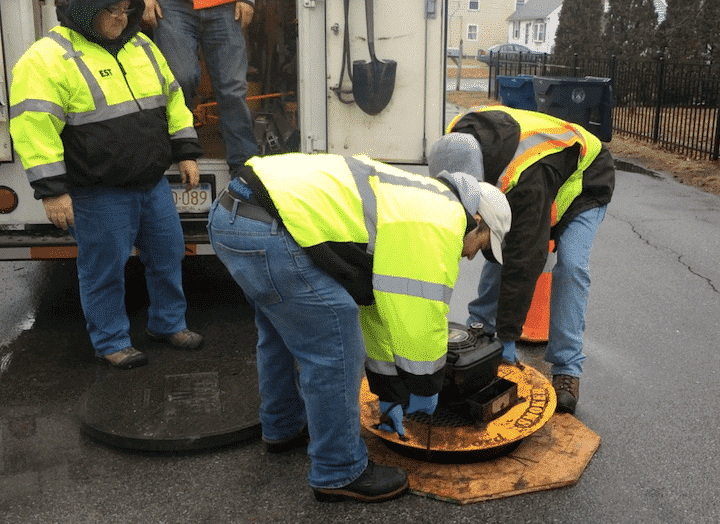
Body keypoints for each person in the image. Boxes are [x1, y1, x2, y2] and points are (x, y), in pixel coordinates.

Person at [206, 152, 511, 502]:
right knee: (336, 345)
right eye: (482, 246)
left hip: (234, 214)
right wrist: (426, 387)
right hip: (270, 228)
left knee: (281, 332)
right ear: (476, 220)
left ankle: (282, 426)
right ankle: (338, 470)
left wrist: (388, 392)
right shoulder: (441, 223)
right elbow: (420, 321)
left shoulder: (424, 198)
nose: (472, 256)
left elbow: (378, 306)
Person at [9, 0, 205, 369]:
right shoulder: (46, 58)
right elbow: (34, 130)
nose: (122, 17)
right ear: (85, 10)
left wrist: (186, 150)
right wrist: (53, 191)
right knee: (104, 270)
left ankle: (168, 325)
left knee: (168, 256)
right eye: (111, 10)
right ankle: (111, 341)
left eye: (126, 9)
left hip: (151, 183)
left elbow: (173, 98)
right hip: (97, 192)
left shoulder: (142, 47)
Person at [430, 105, 615, 414]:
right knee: (498, 242)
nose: (468, 254)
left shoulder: (524, 178)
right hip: (546, 172)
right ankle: (482, 327)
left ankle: (567, 368)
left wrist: (507, 336)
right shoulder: (456, 147)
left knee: (569, 265)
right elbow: (479, 229)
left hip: (585, 179)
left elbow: (525, 260)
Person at [142, 0, 259, 178]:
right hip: (173, 7)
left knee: (233, 88)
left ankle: (243, 171)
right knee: (179, 81)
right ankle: (177, 155)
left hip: (225, 6)